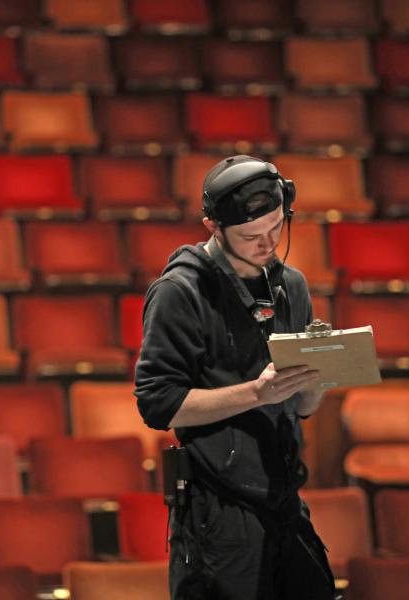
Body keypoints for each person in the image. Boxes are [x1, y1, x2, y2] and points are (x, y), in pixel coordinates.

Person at [134, 155, 336, 599]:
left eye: (277, 228)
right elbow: (157, 403)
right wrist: (256, 393)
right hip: (217, 508)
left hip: (283, 496)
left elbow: (302, 408)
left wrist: (318, 377)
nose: (267, 244)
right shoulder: (179, 291)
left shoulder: (292, 286)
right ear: (213, 225)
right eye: (251, 236)